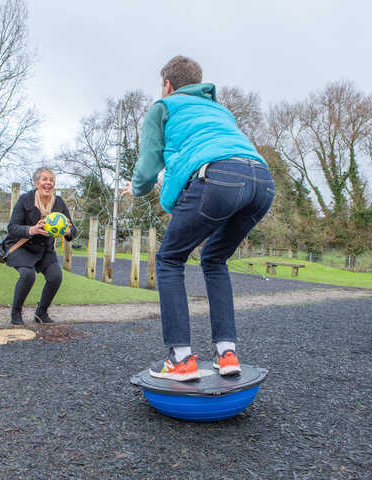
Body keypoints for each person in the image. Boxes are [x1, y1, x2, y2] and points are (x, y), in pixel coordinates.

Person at [122, 55, 275, 381]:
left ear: (167, 85)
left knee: (169, 259)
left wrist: (135, 189)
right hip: (261, 180)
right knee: (214, 258)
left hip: (219, 177)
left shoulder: (163, 107)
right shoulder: (221, 111)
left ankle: (179, 359)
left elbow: (148, 169)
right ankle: (227, 353)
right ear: (198, 84)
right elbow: (191, 169)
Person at [5, 167, 77, 325]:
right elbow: (12, 228)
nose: (48, 183)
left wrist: (67, 231)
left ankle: (41, 313)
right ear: (37, 183)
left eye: (51, 180)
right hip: (22, 246)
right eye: (44, 179)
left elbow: (72, 229)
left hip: (45, 248)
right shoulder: (25, 199)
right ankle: (16, 312)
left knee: (56, 276)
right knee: (28, 275)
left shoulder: (59, 203)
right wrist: (32, 229)